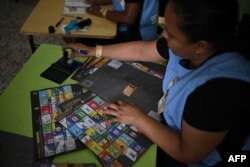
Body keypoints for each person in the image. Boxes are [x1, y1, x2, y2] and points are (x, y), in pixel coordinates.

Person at [63, 0, 250, 166]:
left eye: (171, 33)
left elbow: (188, 153)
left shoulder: (220, 93)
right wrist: (92, 50)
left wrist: (138, 118)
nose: (163, 35)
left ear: (199, 46)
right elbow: (140, 50)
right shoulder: (192, 44)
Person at [69, 0, 158, 45]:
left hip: (137, 34)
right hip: (131, 25)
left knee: (80, 39)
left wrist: (102, 12)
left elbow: (128, 18)